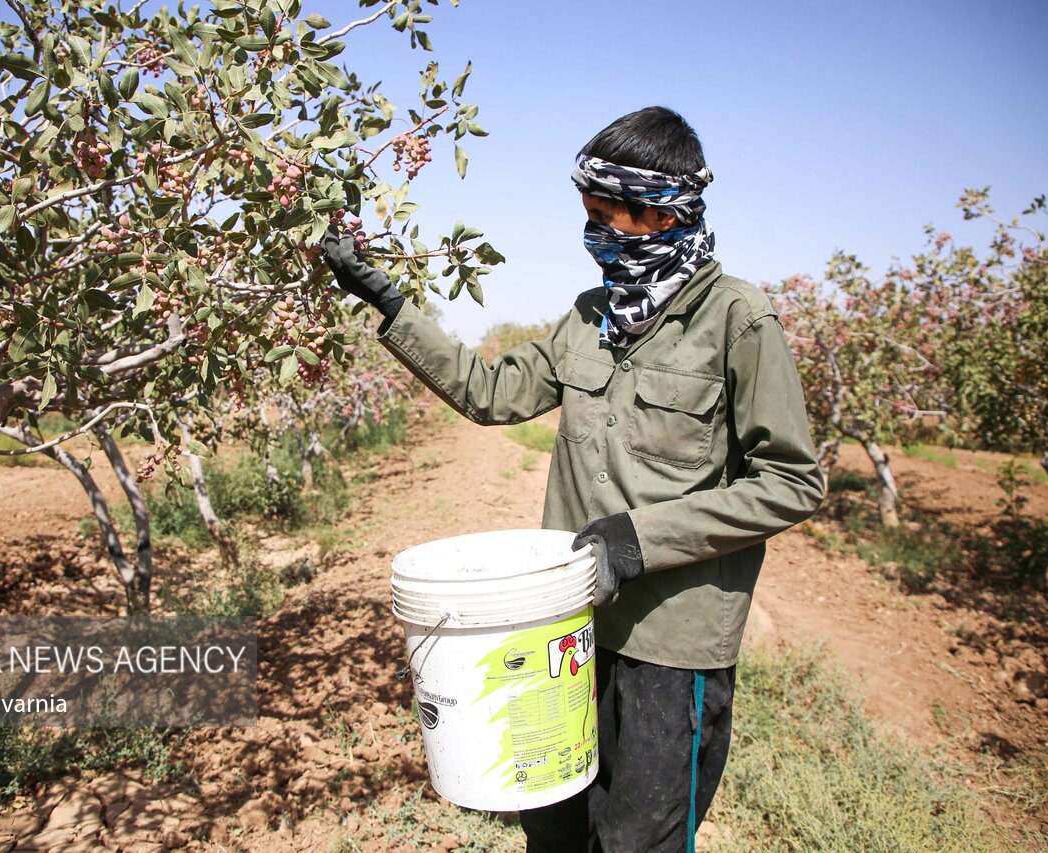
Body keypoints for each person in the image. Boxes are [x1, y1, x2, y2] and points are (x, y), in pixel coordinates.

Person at [321, 106, 825, 853]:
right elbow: (491, 391)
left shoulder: (738, 321)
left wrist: (636, 540)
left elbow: (792, 481)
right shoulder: (590, 316)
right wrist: (390, 303)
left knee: (637, 840)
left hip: (670, 642)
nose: (591, 234)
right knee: (553, 822)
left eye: (603, 216)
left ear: (658, 212)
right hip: (567, 627)